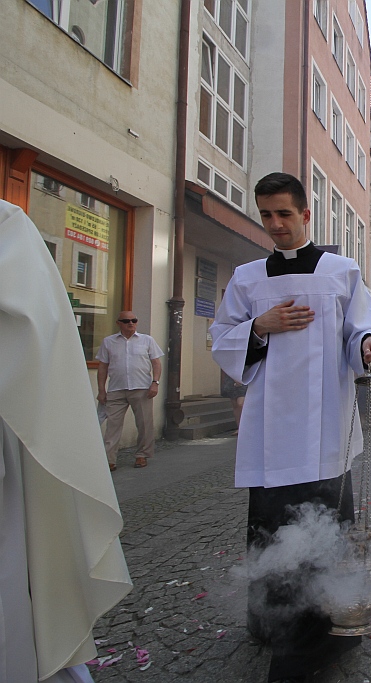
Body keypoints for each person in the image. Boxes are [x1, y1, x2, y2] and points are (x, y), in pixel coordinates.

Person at [210, 173, 371, 683]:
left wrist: (370, 346)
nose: (275, 224)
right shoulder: (247, 278)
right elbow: (221, 338)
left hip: (327, 428)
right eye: (266, 215)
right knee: (273, 531)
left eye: (284, 214)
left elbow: (365, 328)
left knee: (326, 529)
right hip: (271, 431)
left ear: (306, 215)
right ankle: (273, 624)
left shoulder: (341, 272)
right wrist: (259, 327)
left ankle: (326, 631)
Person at [0, 199, 133, 683]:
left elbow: (35, 333)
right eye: (124, 321)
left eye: (131, 322)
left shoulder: (6, 226)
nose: (127, 327)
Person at [95, 310, 164, 470]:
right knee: (113, 425)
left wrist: (155, 382)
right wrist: (101, 390)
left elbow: (156, 363)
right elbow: (103, 367)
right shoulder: (109, 342)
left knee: (144, 424)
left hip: (141, 388)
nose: (131, 323)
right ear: (119, 323)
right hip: (116, 388)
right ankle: (109, 459)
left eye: (134, 320)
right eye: (126, 321)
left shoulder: (146, 340)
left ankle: (142, 455)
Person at [221, 369, 247, 433]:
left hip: (244, 377)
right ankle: (239, 427)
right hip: (231, 378)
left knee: (240, 404)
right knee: (235, 406)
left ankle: (244, 427)